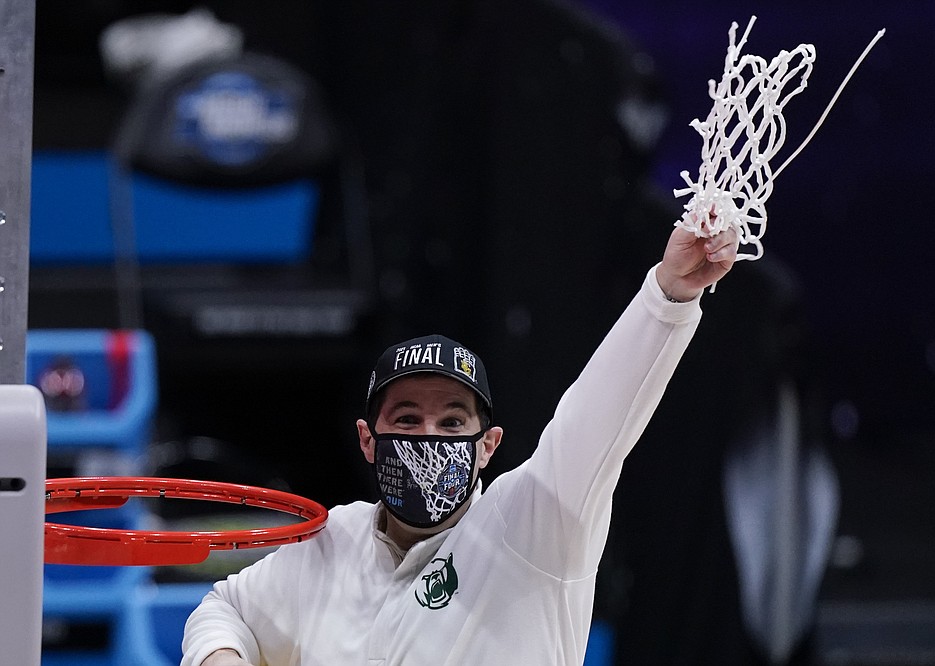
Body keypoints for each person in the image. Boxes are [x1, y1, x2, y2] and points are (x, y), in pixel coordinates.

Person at [181, 223, 739, 666]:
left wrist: (667, 297)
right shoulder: (332, 543)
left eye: (451, 424)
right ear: (367, 441)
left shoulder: (532, 525)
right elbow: (222, 610)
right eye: (406, 419)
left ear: (488, 444)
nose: (428, 439)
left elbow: (596, 417)